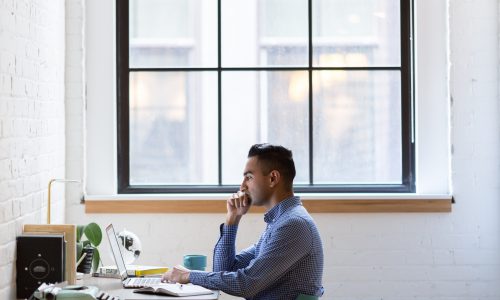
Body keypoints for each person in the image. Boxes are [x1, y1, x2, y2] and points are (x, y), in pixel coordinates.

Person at [162, 144, 324, 299]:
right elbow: (224, 270)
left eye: (249, 177)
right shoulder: (279, 222)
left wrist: (188, 275)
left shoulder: (293, 225)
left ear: (273, 178)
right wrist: (232, 219)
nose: (242, 186)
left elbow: (246, 284)